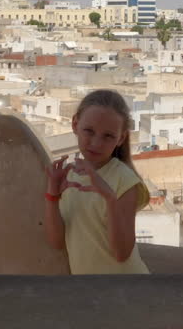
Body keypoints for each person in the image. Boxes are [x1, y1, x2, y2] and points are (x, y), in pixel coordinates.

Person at [43, 89, 151, 274]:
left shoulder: (124, 180)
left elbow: (122, 253)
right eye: (89, 131)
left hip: (128, 291)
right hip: (89, 292)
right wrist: (52, 196)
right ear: (75, 125)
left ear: (121, 138)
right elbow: (57, 242)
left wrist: (109, 198)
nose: (96, 142)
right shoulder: (69, 176)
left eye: (108, 136)